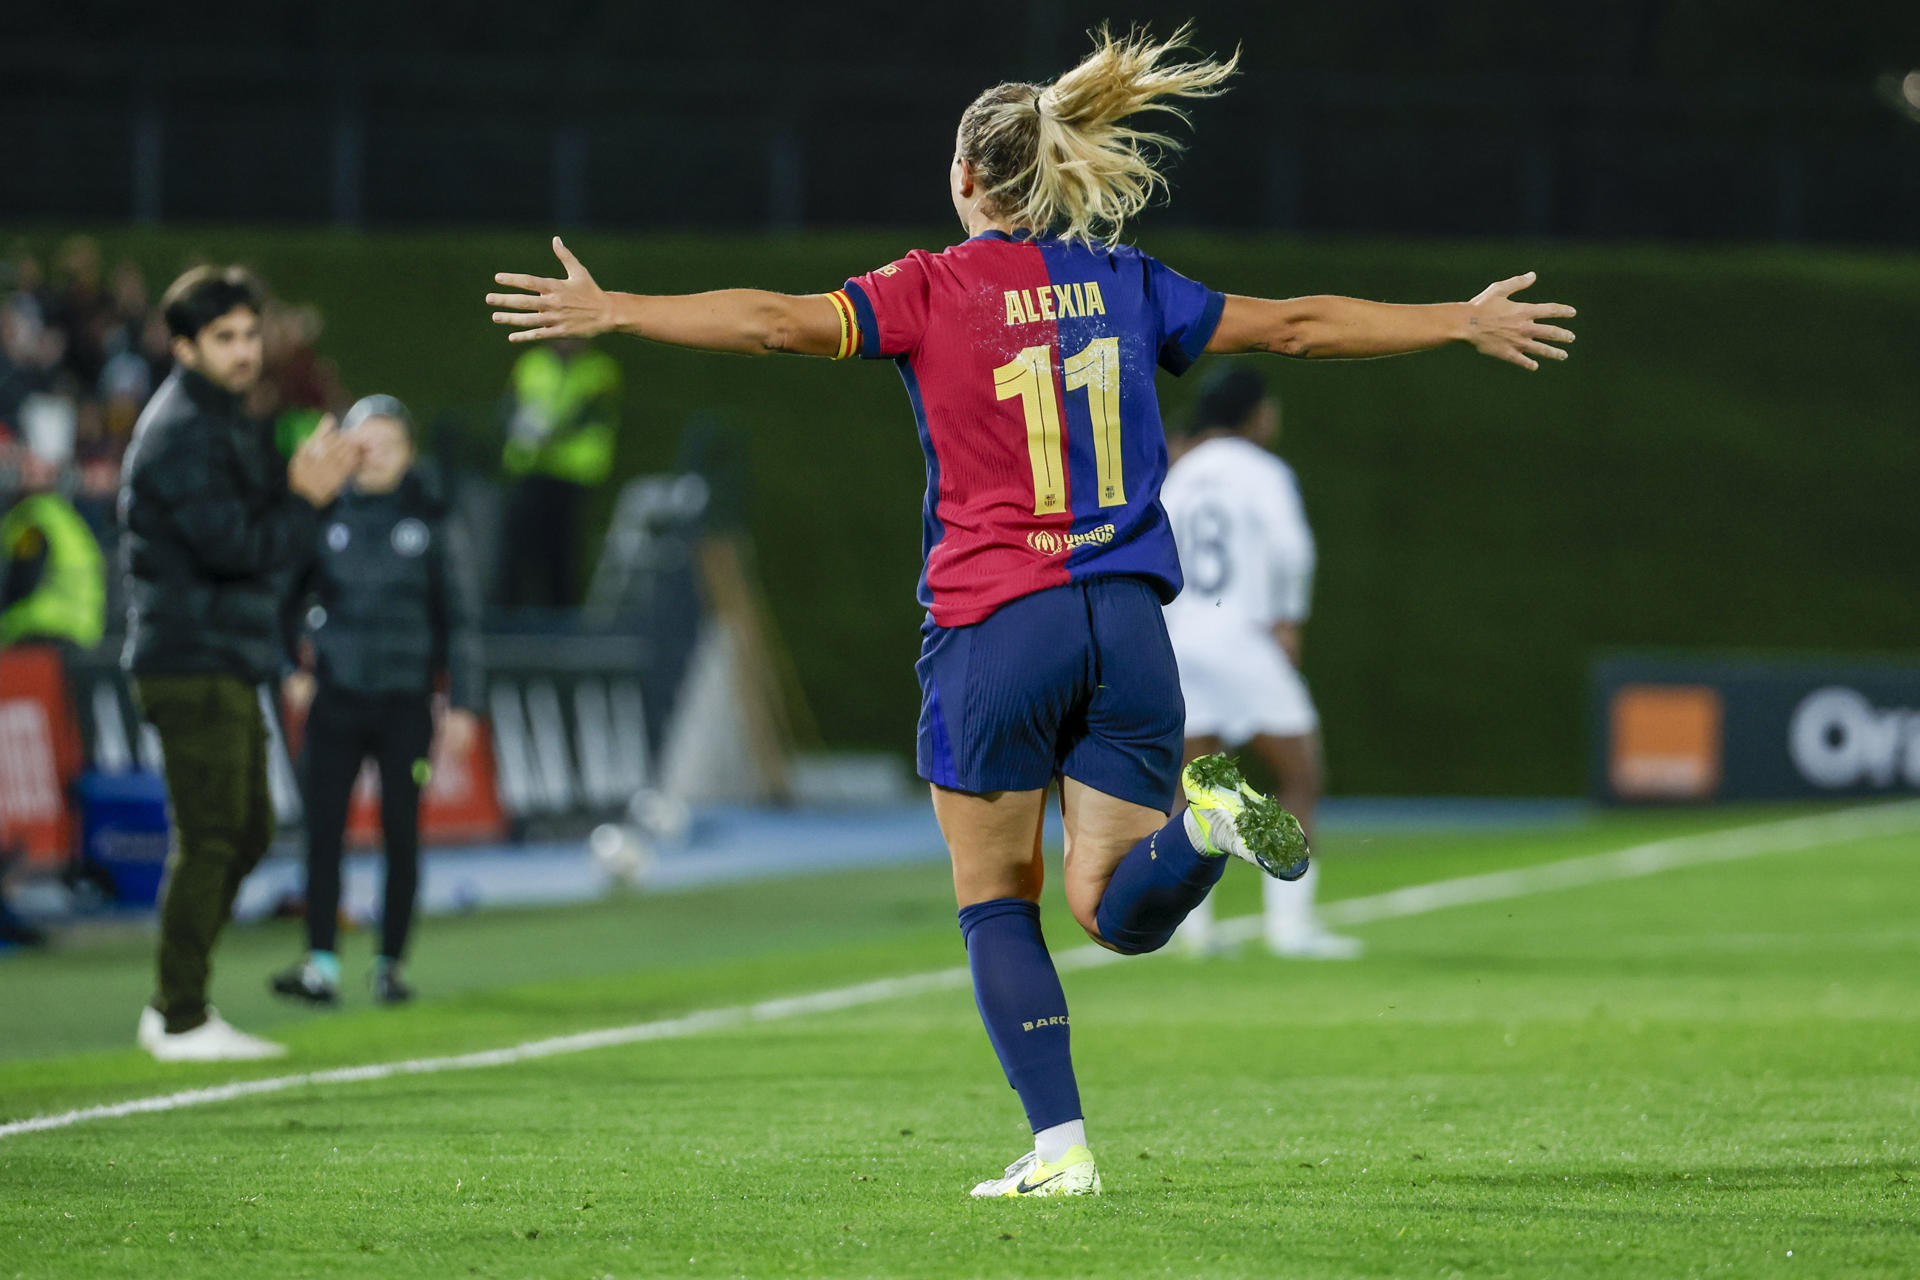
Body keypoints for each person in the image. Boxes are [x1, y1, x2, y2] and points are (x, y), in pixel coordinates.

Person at [484, 24, 1575, 1198]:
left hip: (1000, 621)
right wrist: (1456, 320)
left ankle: (1062, 1150)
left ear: (964, 176)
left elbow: (773, 321)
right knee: (1116, 909)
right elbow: (1300, 325)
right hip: (1128, 626)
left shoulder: (929, 287)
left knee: (995, 898)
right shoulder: (1127, 282)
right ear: (1058, 173)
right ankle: (1203, 832)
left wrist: (617, 309)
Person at [121, 265, 359, 1062]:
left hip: (225, 653)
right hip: (188, 656)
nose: (245, 350)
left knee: (249, 830)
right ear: (184, 347)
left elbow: (261, 542)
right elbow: (239, 549)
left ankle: (176, 1001)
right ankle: (179, 1014)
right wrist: (304, 498)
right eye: (224, 337)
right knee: (215, 835)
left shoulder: (226, 417)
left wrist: (299, 492)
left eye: (250, 333)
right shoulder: (182, 428)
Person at [272, 394, 484, 1008]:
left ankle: (389, 963)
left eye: (388, 443)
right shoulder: (322, 514)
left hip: (405, 707)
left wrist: (465, 703)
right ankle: (320, 963)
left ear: (408, 453)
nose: (375, 455)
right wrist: (290, 668)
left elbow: (462, 620)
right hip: (335, 701)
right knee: (322, 832)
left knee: (400, 833)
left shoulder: (434, 520)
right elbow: (279, 600)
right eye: (365, 443)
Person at [1162, 367, 1358, 959]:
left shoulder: (1180, 473)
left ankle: (1189, 931)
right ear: (1254, 413)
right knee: (1299, 775)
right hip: (1242, 636)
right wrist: (1288, 619)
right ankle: (1291, 927)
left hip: (1181, 637)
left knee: (1195, 787)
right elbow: (1292, 549)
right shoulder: (1264, 472)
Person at [497, 339, 620, 608]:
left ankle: (560, 618)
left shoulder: (600, 369)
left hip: (574, 473)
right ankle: (508, 614)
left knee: (564, 550)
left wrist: (547, 434)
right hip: (529, 469)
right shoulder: (531, 362)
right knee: (517, 546)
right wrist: (520, 428)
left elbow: (588, 412)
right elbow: (509, 405)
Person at [0, 451, 106, 651]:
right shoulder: (65, 517)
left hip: (38, 630)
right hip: (81, 633)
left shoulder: (33, 517)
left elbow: (23, 577)